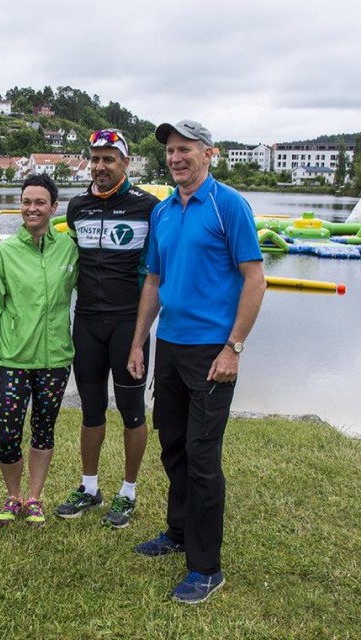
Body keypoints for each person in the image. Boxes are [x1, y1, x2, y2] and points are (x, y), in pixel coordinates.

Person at [127, 119, 266, 604]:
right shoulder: (164, 211)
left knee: (204, 458)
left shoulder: (229, 206)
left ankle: (206, 568)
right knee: (175, 447)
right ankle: (178, 532)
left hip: (213, 352)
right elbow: (152, 283)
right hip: (171, 347)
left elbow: (255, 279)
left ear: (210, 154)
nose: (176, 157)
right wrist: (139, 342)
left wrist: (234, 347)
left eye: (186, 149)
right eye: (170, 150)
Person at [55, 129, 160, 528]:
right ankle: (90, 487)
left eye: (109, 159)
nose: (100, 166)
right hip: (87, 323)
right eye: (95, 158)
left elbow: (156, 274)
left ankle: (128, 493)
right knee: (91, 410)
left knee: (132, 412)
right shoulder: (77, 206)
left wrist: (139, 336)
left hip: (128, 326)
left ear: (125, 163)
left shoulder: (148, 207)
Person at [0, 174, 78, 528]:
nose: (31, 208)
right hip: (12, 359)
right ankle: (13, 495)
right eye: (26, 202)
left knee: (44, 429)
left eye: (40, 202)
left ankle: (34, 498)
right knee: (7, 435)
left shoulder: (69, 249)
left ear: (54, 207)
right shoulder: (3, 253)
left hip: (55, 359)